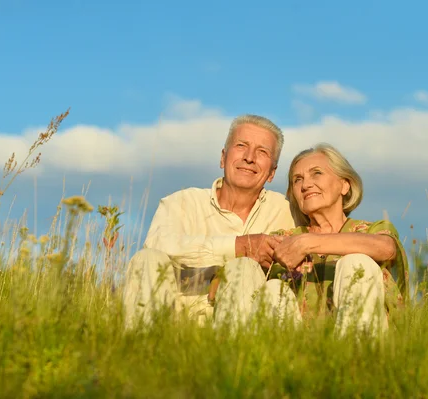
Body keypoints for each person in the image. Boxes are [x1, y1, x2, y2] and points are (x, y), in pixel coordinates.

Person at [122, 114, 297, 328]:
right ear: (223, 158)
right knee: (146, 259)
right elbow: (158, 244)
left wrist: (232, 271)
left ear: (272, 172)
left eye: (262, 152)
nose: (249, 157)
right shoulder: (182, 202)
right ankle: (143, 350)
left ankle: (235, 357)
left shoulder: (285, 211)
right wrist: (237, 246)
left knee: (244, 268)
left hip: (244, 321)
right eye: (241, 145)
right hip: (173, 319)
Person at [224, 142, 409, 337]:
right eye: (297, 180)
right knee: (272, 288)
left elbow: (386, 248)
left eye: (317, 173)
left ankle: (356, 360)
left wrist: (307, 243)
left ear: (344, 185)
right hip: (296, 346)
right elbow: (239, 279)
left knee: (357, 263)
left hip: (363, 341)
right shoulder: (282, 240)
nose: (305, 185)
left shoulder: (371, 230)